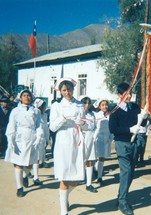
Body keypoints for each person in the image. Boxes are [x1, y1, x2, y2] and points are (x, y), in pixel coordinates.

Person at [49, 78, 87, 215]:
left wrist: (81, 123)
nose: (67, 93)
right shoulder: (56, 106)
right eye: (64, 90)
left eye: (69, 89)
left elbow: (89, 126)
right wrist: (62, 118)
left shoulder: (80, 105)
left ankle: (63, 195)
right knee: (64, 176)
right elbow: (52, 127)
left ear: (73, 89)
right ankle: (63, 211)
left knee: (76, 178)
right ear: (60, 91)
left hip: (76, 140)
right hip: (63, 141)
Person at [109, 82, 147, 215]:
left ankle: (120, 196)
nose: (129, 96)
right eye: (126, 94)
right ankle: (123, 201)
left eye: (130, 93)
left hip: (134, 143)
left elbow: (142, 122)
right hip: (122, 143)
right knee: (125, 171)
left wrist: (145, 119)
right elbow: (113, 129)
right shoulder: (115, 110)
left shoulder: (135, 107)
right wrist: (129, 129)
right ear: (119, 95)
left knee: (130, 172)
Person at [4, 90, 42, 197]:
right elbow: (11, 125)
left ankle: (25, 175)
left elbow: (39, 125)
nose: (26, 97)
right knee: (19, 163)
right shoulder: (15, 111)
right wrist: (10, 139)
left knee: (30, 163)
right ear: (20, 98)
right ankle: (19, 187)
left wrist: (39, 136)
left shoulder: (36, 111)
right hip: (20, 138)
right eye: (24, 96)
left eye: (28, 95)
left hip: (32, 137)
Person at [79, 95, 98, 193]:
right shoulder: (79, 114)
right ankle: (79, 177)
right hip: (81, 137)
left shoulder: (92, 114)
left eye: (88, 103)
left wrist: (94, 135)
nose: (87, 105)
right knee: (80, 159)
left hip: (90, 137)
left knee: (90, 160)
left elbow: (95, 126)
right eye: (85, 103)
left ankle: (89, 183)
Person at [93, 98, 113, 186]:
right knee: (95, 157)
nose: (105, 106)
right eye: (103, 105)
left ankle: (99, 176)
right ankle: (95, 171)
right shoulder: (96, 115)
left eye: (106, 105)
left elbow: (112, 127)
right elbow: (93, 127)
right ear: (99, 106)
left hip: (107, 139)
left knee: (102, 158)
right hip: (97, 139)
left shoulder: (111, 115)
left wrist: (111, 137)